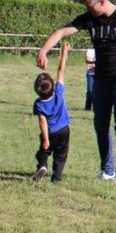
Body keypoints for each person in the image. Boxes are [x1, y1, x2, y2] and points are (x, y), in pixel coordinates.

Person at [37, 0, 116, 186]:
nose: (87, 10)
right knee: (100, 126)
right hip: (101, 81)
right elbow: (61, 32)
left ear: (101, 2)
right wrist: (43, 50)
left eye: (89, 5)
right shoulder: (90, 18)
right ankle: (107, 170)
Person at [32, 41, 72, 182]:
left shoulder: (38, 104)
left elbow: (42, 121)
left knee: (44, 151)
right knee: (61, 154)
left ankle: (42, 166)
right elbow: (61, 70)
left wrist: (46, 139)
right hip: (64, 130)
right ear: (53, 86)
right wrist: (64, 52)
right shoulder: (58, 92)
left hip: (51, 131)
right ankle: (56, 177)